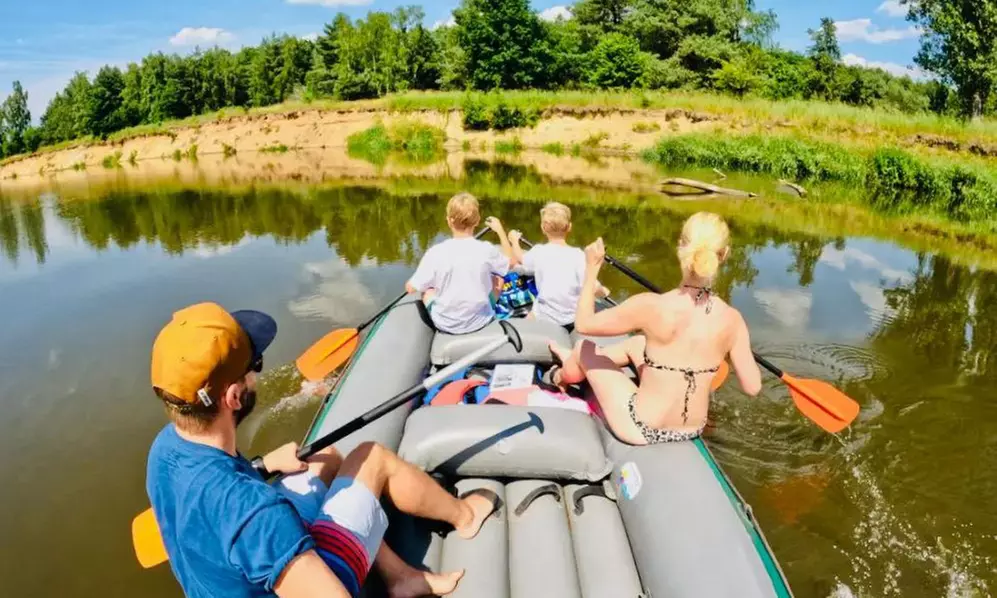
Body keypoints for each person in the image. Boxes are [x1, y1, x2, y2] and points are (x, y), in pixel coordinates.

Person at [146, 302, 496, 598]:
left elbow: (222, 490)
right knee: (371, 457)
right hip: (296, 574)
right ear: (234, 397)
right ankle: (465, 515)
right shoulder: (258, 517)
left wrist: (265, 464)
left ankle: (399, 575)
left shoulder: (165, 448)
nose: (257, 375)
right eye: (255, 367)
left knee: (325, 459)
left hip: (244, 566)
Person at [547, 212, 762, 445]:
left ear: (680, 245)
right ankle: (597, 362)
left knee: (583, 347)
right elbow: (753, 387)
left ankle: (560, 374)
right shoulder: (733, 319)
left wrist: (591, 269)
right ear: (725, 255)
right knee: (638, 343)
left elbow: (584, 324)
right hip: (693, 429)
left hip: (643, 428)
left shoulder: (651, 306)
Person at [405, 192, 515, 334]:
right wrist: (500, 231)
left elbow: (410, 289)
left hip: (445, 324)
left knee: (428, 292)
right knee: (498, 279)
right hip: (479, 322)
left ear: (449, 221)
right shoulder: (486, 249)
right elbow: (511, 262)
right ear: (477, 221)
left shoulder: (435, 252)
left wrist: (427, 287)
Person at [507, 202, 608, 330]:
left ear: (543, 228)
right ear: (569, 227)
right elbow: (592, 285)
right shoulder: (579, 255)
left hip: (543, 316)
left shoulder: (539, 251)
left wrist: (514, 241)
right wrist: (603, 291)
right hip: (571, 318)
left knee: (529, 318)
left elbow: (520, 258)